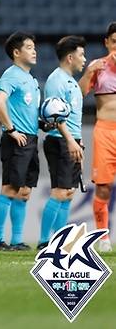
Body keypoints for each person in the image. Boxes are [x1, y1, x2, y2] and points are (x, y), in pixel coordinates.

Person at [0, 32, 40, 251]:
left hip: (31, 138)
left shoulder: (30, 78)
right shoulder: (11, 75)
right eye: (29, 47)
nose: (34, 50)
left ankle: (17, 240)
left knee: (25, 191)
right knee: (10, 189)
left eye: (34, 47)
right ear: (16, 52)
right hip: (16, 139)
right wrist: (11, 130)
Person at [38, 36, 86, 249]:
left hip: (71, 141)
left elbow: (74, 117)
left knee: (68, 193)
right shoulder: (56, 80)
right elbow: (55, 116)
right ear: (70, 57)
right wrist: (70, 141)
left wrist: (78, 142)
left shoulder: (71, 82)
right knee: (59, 191)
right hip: (60, 141)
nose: (84, 59)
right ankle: (43, 240)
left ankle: (61, 239)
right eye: (81, 54)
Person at [78, 23, 116, 253]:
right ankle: (104, 236)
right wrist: (89, 73)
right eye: (114, 41)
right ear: (107, 43)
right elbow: (80, 93)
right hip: (105, 132)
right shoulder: (98, 67)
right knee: (103, 187)